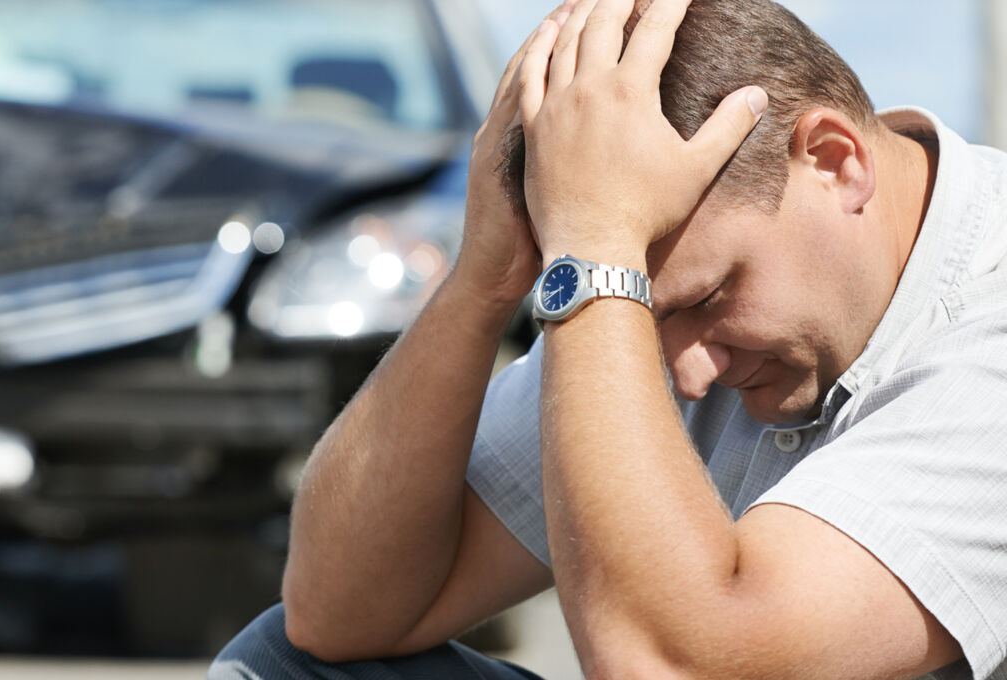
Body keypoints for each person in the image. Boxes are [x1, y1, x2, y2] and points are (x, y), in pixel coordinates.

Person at [210, 0, 1007, 678]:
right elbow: (337, 611)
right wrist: (482, 283)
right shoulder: (634, 283)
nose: (688, 373)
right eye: (648, 321)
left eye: (711, 296)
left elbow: (674, 669)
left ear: (835, 163)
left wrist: (599, 259)